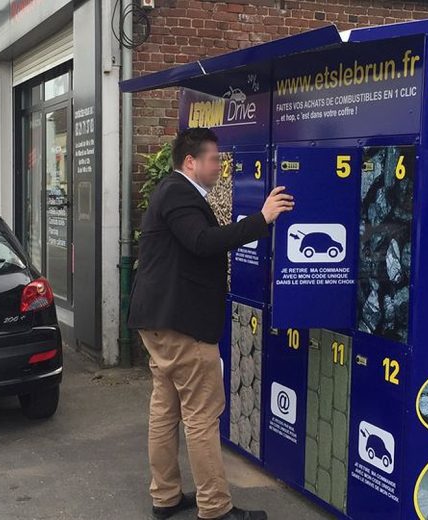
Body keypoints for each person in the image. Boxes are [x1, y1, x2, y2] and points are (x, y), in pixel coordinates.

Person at [128, 127, 294, 520]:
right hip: (181, 324)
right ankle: (216, 510)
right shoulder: (178, 193)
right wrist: (262, 219)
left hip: (160, 322)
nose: (219, 166)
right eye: (214, 159)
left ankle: (165, 497)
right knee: (202, 416)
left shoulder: (173, 192)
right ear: (191, 162)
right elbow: (202, 242)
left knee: (165, 410)